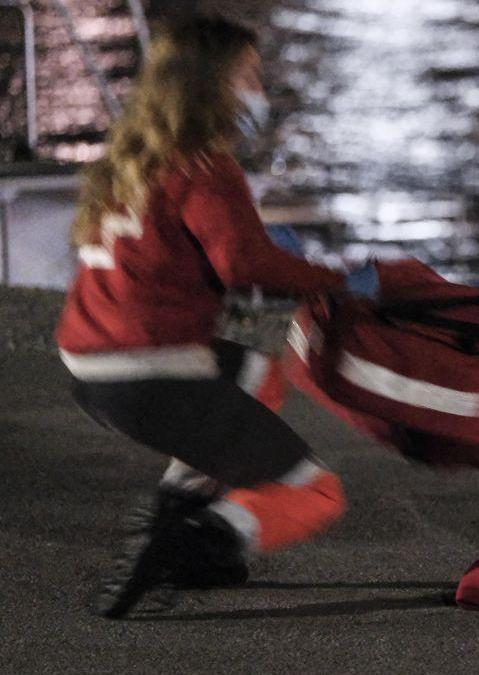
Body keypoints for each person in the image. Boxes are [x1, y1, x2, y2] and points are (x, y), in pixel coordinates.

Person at [56, 16, 381, 618]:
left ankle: (174, 515)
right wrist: (341, 281)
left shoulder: (132, 161)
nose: (259, 89)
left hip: (91, 370)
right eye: (249, 76)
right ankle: (197, 538)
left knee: (261, 376)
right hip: (156, 371)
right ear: (211, 84)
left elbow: (189, 249)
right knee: (315, 493)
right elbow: (242, 263)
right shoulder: (207, 167)